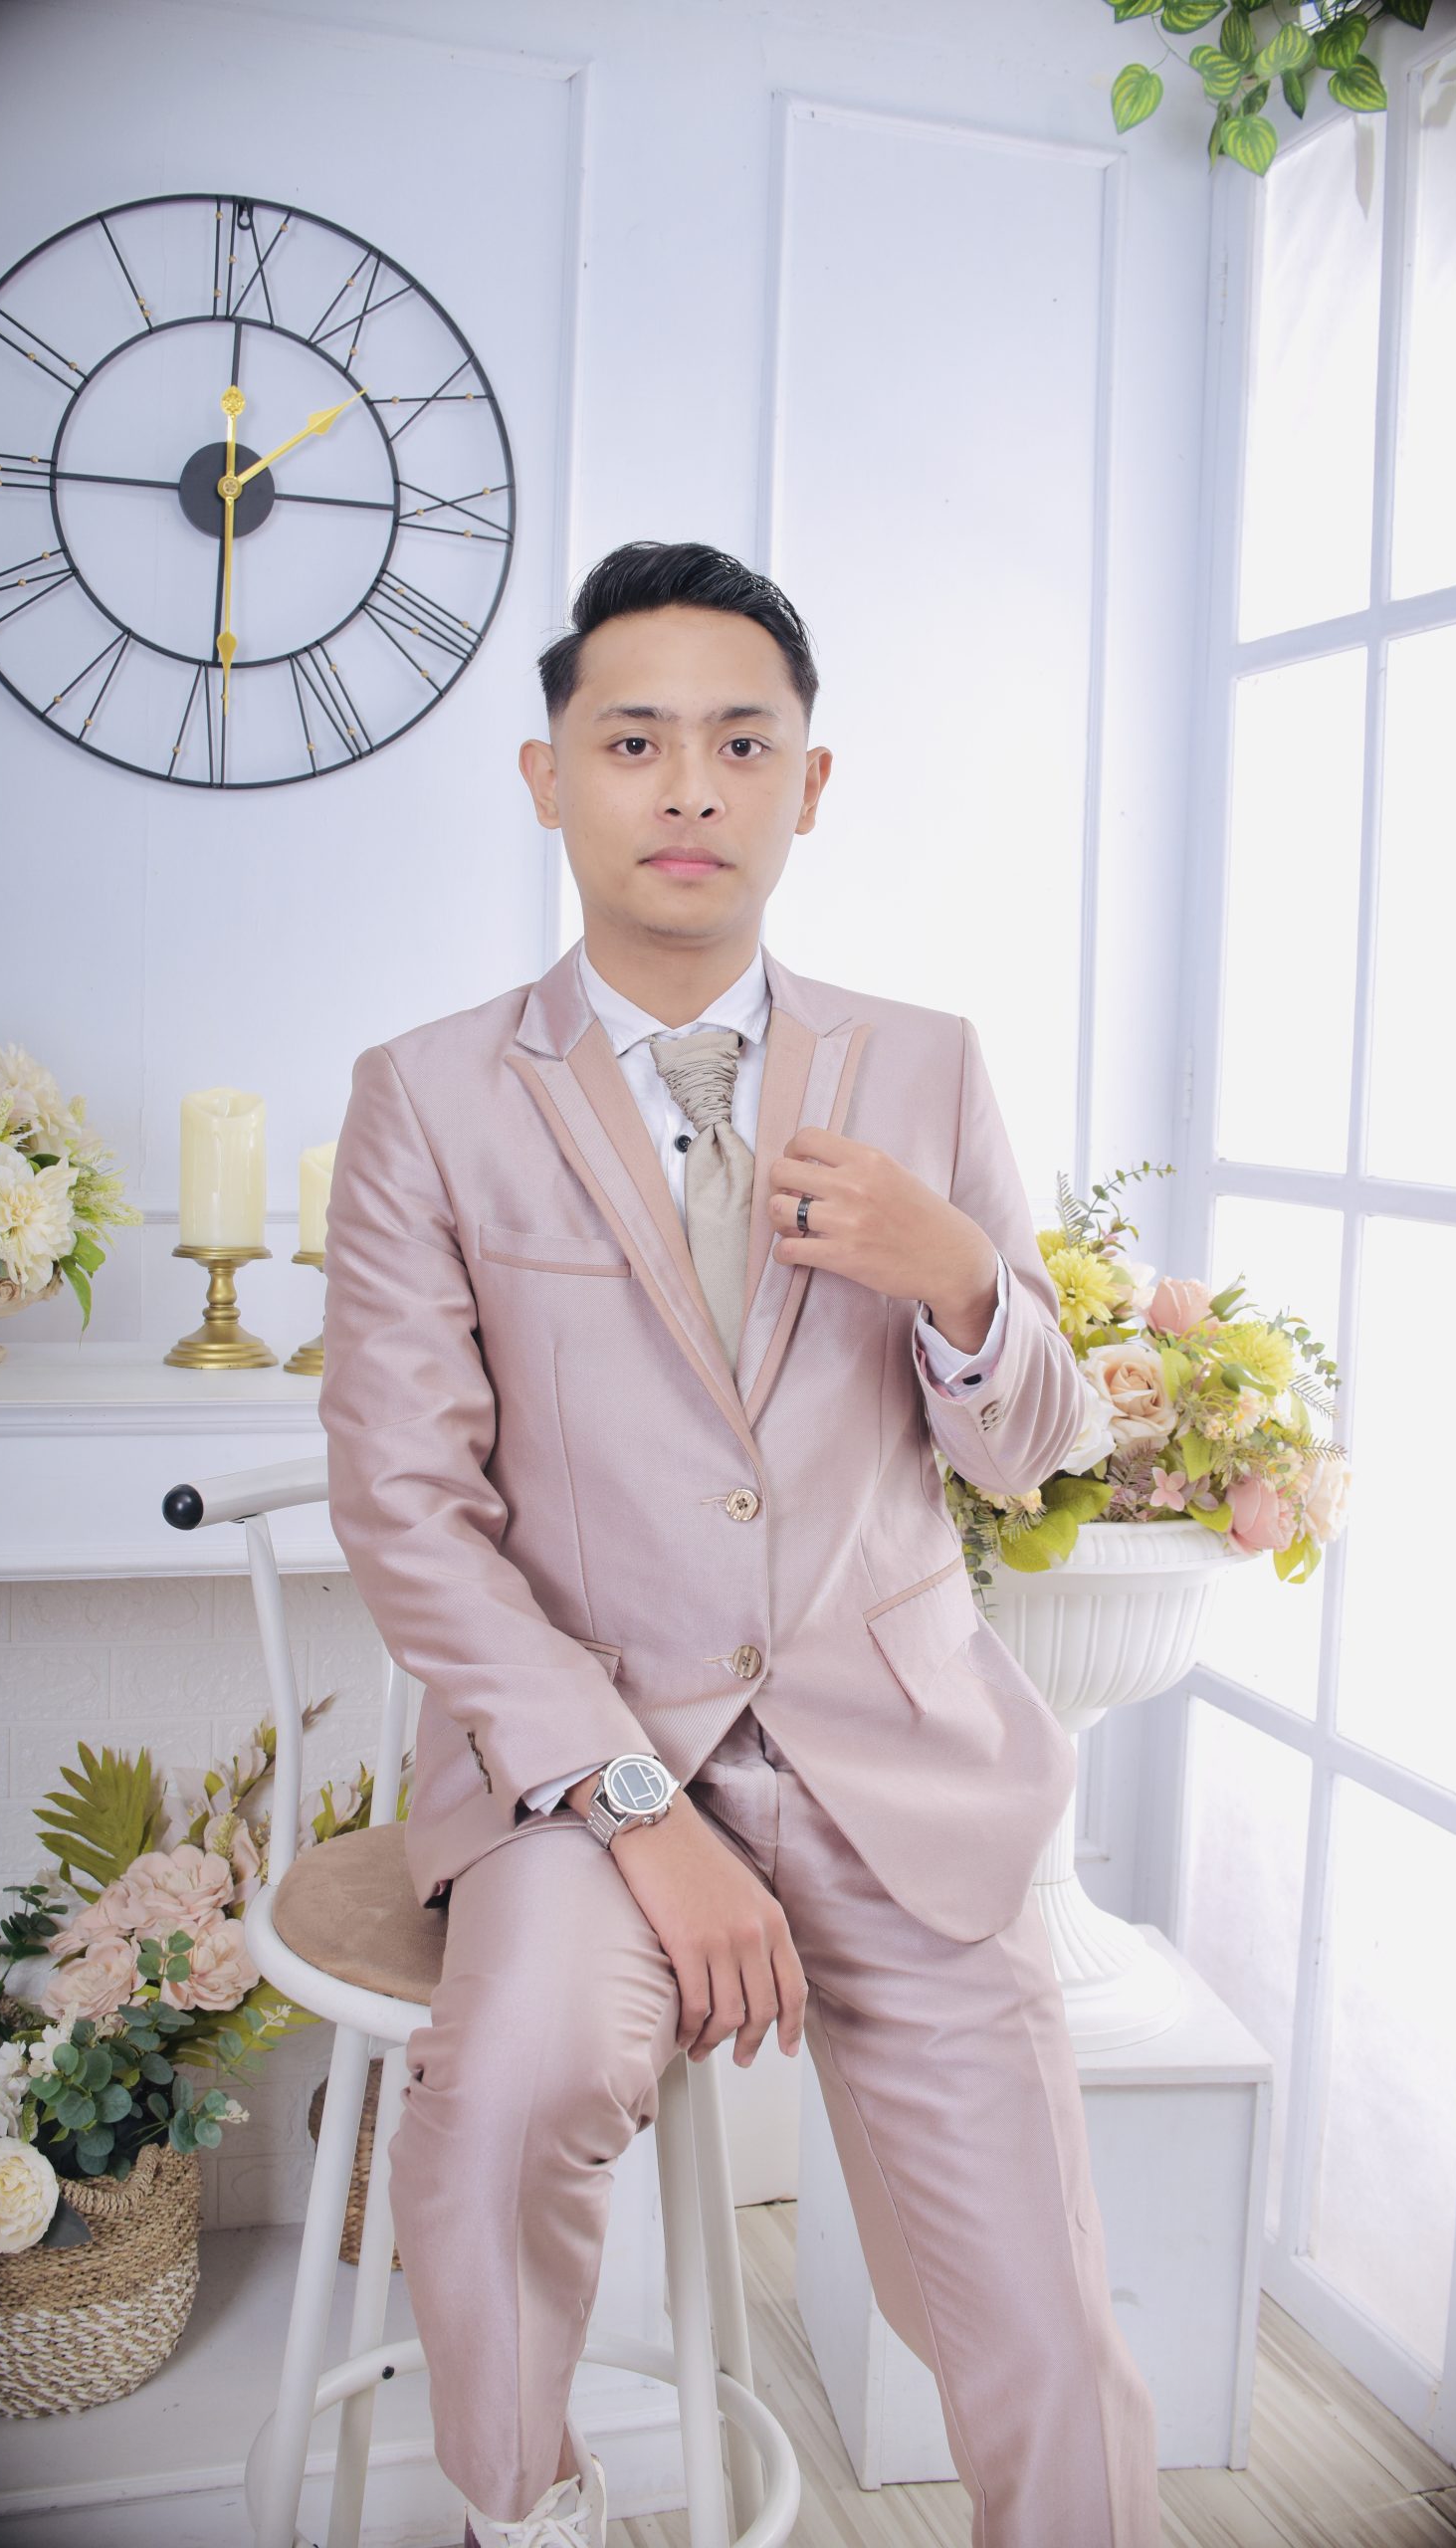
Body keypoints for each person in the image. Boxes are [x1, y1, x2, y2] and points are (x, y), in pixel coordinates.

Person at [318, 539, 1161, 2548]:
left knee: (1042, 2321)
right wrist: (638, 1807)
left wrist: (957, 1275)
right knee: (509, 2094)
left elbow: (1036, 1450)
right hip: (589, 1772)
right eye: (634, 741)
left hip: (901, 1758)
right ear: (549, 779)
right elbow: (408, 1512)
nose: (689, 786)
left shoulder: (925, 1062)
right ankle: (528, 2506)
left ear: (809, 783)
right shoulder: (426, 1096)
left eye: (740, 742)